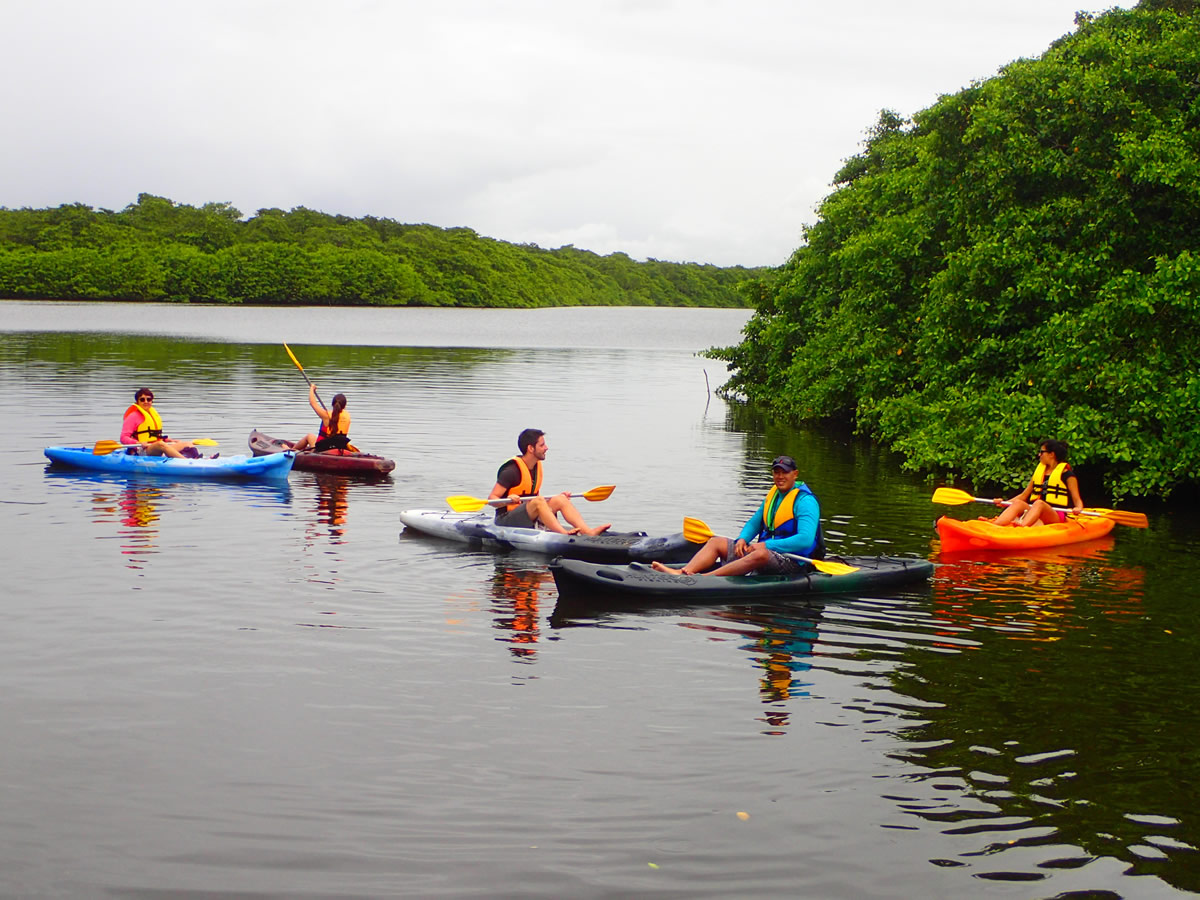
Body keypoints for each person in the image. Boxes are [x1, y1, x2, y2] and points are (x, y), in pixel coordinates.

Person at [653, 455, 824, 577]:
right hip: (766, 552)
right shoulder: (774, 496)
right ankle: (682, 572)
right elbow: (754, 523)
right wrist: (742, 539)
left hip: (795, 562)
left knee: (760, 555)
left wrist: (766, 545)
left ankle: (707, 578)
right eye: (776, 472)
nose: (780, 477)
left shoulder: (805, 502)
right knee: (716, 542)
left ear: (795, 474)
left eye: (784, 472)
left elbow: (805, 540)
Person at [486, 428, 610, 536]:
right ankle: (563, 534)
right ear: (530, 448)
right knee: (539, 501)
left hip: (527, 516)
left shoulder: (536, 467)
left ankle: (588, 532)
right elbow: (492, 499)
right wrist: (509, 498)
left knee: (560, 499)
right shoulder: (511, 471)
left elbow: (533, 500)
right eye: (542, 445)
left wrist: (558, 498)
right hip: (506, 521)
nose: (546, 448)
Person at [988, 439, 1084, 527]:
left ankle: (1022, 527)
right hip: (1035, 510)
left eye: (1042, 452)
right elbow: (1023, 495)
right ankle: (996, 525)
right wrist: (1005, 503)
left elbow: (1077, 499)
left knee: (1039, 503)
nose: (1039, 455)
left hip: (1056, 514)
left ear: (1052, 454)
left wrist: (1078, 508)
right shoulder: (1039, 472)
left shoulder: (1067, 475)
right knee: (1018, 503)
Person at [120, 388, 195, 458]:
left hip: (157, 448)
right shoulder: (132, 416)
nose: (146, 402)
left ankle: (196, 459)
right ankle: (186, 461)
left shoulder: (154, 415)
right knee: (160, 444)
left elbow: (157, 436)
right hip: (142, 450)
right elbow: (123, 438)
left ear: (151, 401)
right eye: (142, 399)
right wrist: (138, 442)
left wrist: (169, 440)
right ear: (138, 402)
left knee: (188, 444)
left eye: (148, 399)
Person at [289, 385, 351, 453]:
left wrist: (312, 389)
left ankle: (291, 451)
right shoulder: (347, 416)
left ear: (332, 404)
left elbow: (312, 403)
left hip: (322, 449)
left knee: (309, 436)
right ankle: (293, 450)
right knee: (312, 437)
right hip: (340, 447)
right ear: (345, 406)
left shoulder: (326, 415)